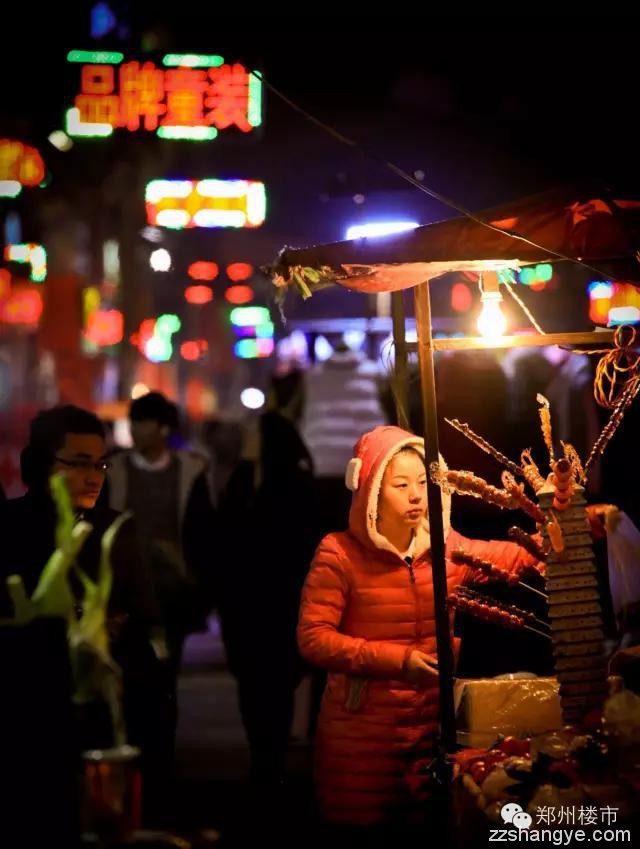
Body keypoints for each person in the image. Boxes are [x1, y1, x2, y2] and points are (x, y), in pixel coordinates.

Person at [298, 425, 541, 831]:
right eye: (399, 484)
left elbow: (512, 557)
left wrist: (572, 529)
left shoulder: (442, 548)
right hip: (361, 740)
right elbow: (313, 638)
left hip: (430, 731)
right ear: (371, 490)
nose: (415, 495)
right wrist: (399, 660)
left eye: (421, 482)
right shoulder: (338, 553)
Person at [0, 405, 163, 831]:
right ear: (39, 465)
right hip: (27, 718)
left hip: (101, 720)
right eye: (78, 463)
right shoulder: (9, 528)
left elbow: (141, 618)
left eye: (100, 464)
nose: (94, 476)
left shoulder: (115, 531)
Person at [216, 381, 319, 788]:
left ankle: (270, 760)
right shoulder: (242, 480)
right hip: (243, 606)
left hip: (280, 605)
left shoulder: (293, 488)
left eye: (253, 435)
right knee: (251, 683)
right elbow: (224, 535)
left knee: (274, 684)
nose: (246, 440)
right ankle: (261, 754)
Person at [106, 392, 215, 696]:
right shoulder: (113, 471)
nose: (135, 430)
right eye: (133, 422)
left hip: (171, 591)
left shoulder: (191, 473)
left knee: (165, 676)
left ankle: (160, 740)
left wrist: (199, 587)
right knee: (128, 671)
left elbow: (203, 534)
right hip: (123, 590)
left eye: (142, 423)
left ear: (163, 428)